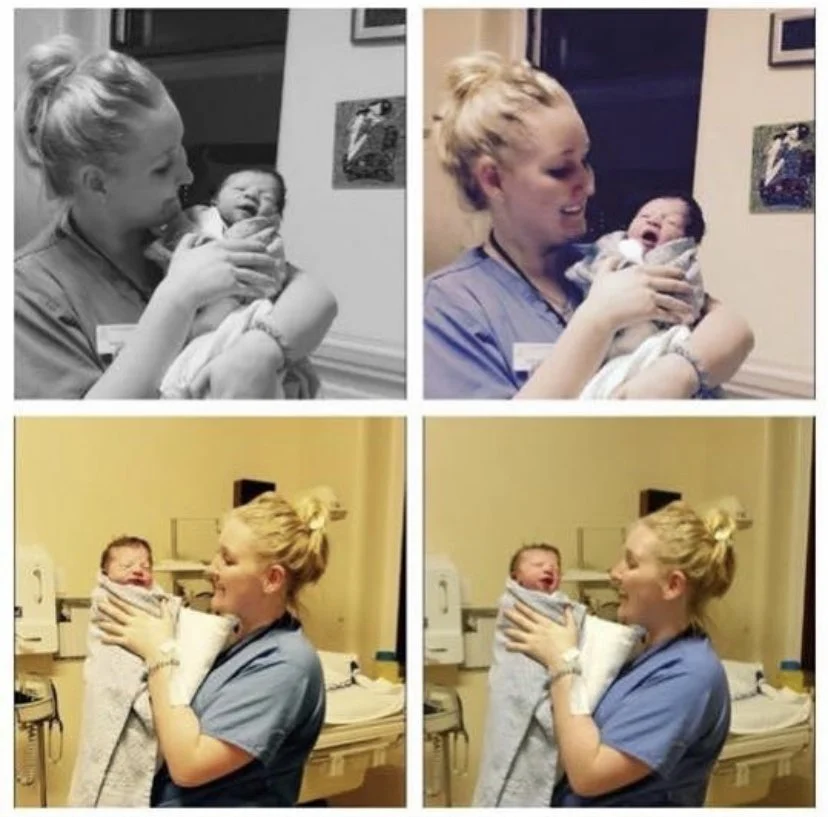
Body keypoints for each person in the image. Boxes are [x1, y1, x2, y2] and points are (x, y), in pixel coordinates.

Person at [15, 35, 337, 399]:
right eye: (163, 166)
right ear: (97, 183)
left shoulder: (186, 229)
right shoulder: (28, 294)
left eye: (181, 149)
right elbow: (81, 439)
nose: (187, 176)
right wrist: (178, 297)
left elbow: (313, 295)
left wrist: (259, 352)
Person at [424, 52, 754, 399]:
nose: (589, 185)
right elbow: (505, 441)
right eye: (560, 170)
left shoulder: (607, 258)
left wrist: (677, 374)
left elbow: (731, 327)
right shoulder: (448, 307)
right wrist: (598, 320)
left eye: (585, 161)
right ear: (493, 179)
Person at [96, 489, 335, 807]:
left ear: (272, 579)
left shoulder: (287, 666)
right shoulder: (231, 640)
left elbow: (188, 765)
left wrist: (158, 653)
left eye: (228, 559)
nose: (211, 568)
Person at [504, 500, 737, 806]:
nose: (614, 573)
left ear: (672, 585)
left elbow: (589, 775)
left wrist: (563, 662)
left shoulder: (690, 676)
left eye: (631, 563)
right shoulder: (643, 651)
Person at [147, 167, 318, 398]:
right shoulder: (196, 219)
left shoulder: (267, 237)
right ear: (215, 198)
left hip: (240, 308)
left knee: (247, 327)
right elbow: (171, 244)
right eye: (239, 189)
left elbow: (273, 277)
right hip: (198, 309)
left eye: (266, 196)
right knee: (195, 348)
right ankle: (183, 386)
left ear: (276, 214)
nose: (251, 195)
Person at [565, 194, 710, 397]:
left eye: (670, 221)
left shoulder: (684, 261)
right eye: (644, 216)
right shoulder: (609, 248)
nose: (653, 221)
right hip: (603, 345)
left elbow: (689, 300)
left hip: (651, 340)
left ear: (685, 241)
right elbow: (583, 274)